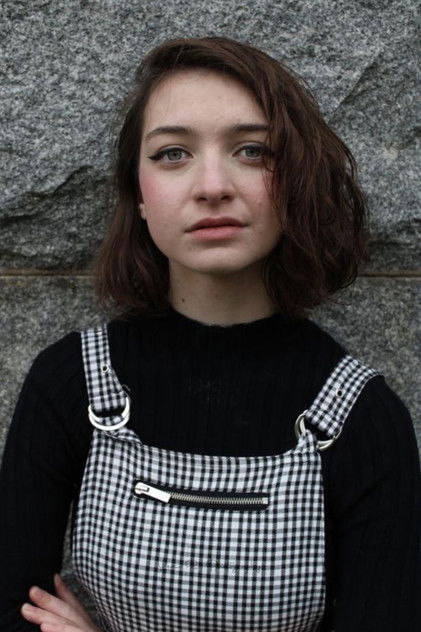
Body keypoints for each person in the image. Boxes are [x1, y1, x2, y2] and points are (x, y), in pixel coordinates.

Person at [0, 36, 420, 632]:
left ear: (295, 179)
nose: (212, 185)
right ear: (138, 195)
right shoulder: (72, 385)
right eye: (172, 153)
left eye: (252, 150)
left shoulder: (362, 419)